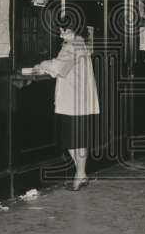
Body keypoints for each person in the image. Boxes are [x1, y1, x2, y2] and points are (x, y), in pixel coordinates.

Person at [33, 20, 100, 190]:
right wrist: (48, 68)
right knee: (77, 139)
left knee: (74, 140)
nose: (61, 35)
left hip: (73, 101)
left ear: (75, 30)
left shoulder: (72, 45)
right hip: (79, 100)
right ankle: (81, 174)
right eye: (61, 32)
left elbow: (59, 66)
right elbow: (64, 66)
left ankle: (80, 174)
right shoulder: (80, 44)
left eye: (65, 31)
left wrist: (41, 65)